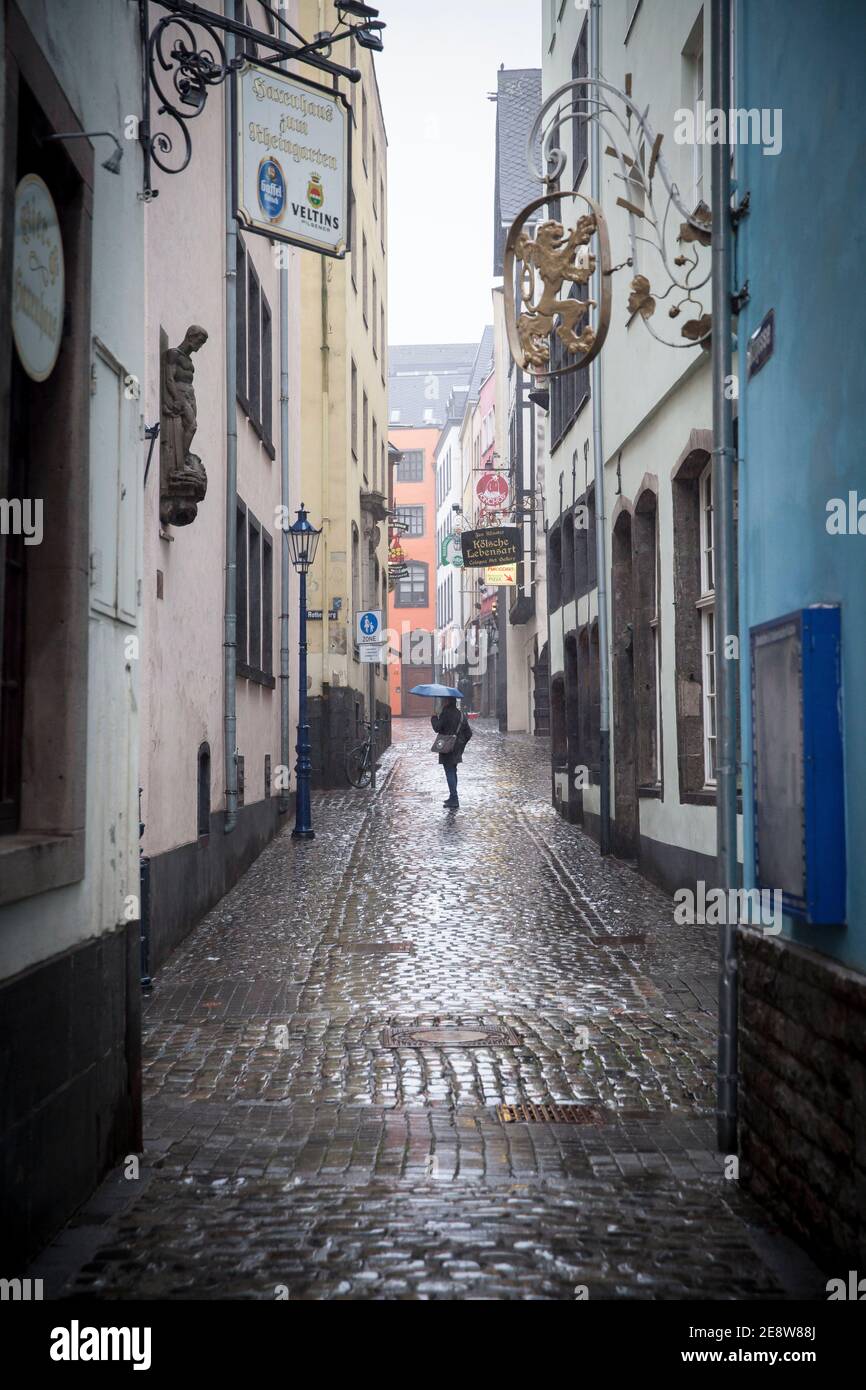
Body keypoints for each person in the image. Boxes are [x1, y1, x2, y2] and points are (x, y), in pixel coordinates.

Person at [430, 696, 471, 809]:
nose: (442, 702)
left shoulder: (445, 713)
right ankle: (453, 797)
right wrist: (461, 744)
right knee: (453, 770)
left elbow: (437, 728)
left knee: (449, 771)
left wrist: (434, 717)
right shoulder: (461, 714)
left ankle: (454, 798)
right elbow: (469, 733)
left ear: (447, 701)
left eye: (443, 700)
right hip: (457, 748)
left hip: (447, 747)